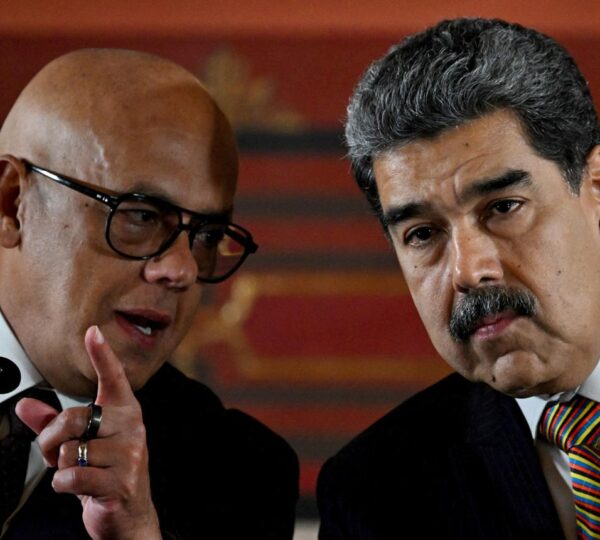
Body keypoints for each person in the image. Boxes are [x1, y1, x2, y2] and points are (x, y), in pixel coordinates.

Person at [317, 17, 600, 540]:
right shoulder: (376, 496)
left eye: (503, 207)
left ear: (596, 188)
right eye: (423, 234)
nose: (469, 270)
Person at [0, 48, 299, 539]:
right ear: (12, 203)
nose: (182, 270)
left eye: (206, 235)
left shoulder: (239, 474)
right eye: (140, 215)